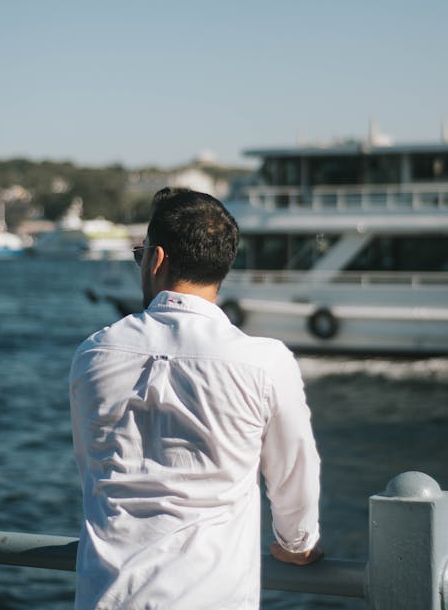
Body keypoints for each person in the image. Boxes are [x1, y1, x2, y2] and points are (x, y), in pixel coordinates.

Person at [70, 187, 321, 610]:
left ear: (157, 259)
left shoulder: (94, 353)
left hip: (105, 597)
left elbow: (90, 470)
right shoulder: (265, 362)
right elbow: (294, 472)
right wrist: (297, 544)